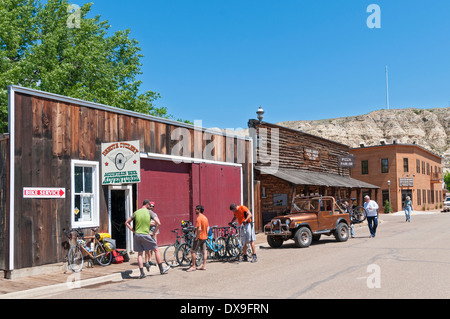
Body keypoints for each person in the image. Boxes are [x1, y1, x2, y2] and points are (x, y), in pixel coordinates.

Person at [125, 199, 169, 278]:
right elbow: (158, 223)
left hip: (137, 235)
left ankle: (142, 273)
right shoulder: (149, 212)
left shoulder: (136, 212)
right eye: (150, 205)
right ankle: (161, 269)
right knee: (156, 249)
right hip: (146, 234)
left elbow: (126, 222)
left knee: (140, 254)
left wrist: (133, 231)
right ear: (148, 205)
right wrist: (154, 232)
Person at [186, 205, 209, 272]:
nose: (195, 210)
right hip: (204, 237)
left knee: (193, 251)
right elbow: (208, 227)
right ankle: (204, 265)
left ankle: (193, 266)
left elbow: (199, 229)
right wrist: (206, 235)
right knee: (204, 251)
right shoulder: (205, 218)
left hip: (199, 237)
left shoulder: (199, 218)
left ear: (199, 210)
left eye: (196, 209)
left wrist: (197, 237)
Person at [144, 201, 158, 271]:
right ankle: (146, 261)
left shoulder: (154, 214)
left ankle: (150, 260)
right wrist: (152, 223)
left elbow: (157, 222)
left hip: (154, 232)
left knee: (153, 247)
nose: (152, 207)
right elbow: (146, 223)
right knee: (147, 248)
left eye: (153, 206)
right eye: (151, 206)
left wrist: (153, 223)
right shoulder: (146, 213)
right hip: (148, 232)